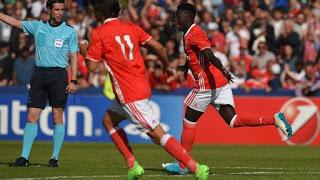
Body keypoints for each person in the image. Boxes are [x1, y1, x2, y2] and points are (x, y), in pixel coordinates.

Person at [80, 0, 209, 179]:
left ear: (99, 13)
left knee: (157, 134)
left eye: (94, 10)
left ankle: (195, 168)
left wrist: (83, 50)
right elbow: (158, 47)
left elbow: (91, 68)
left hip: (128, 92)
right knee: (108, 121)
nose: (93, 13)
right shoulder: (131, 27)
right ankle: (132, 165)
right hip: (140, 85)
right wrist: (165, 65)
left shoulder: (99, 33)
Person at [162, 3, 293, 175]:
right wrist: (186, 67)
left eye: (177, 16)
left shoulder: (195, 33)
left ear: (186, 18)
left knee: (189, 122)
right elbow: (196, 55)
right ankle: (274, 119)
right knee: (233, 120)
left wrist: (223, 68)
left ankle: (182, 166)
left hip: (206, 84)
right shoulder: (189, 33)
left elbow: (208, 53)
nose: (174, 20)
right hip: (219, 83)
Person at [0, 0, 79, 167]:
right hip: (39, 74)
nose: (60, 12)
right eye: (56, 9)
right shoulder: (38, 26)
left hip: (59, 75)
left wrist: (73, 80)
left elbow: (74, 57)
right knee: (31, 116)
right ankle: (24, 157)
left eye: (62, 10)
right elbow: (15, 22)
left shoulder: (70, 32)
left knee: (57, 116)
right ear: (49, 10)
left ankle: (54, 158)